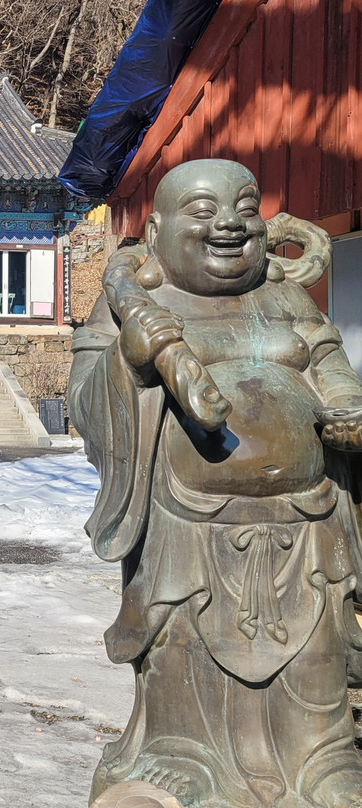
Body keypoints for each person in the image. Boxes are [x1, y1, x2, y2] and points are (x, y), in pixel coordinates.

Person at [69, 159, 362, 808]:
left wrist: (348, 409)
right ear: (158, 230)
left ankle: (323, 760)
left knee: (315, 658)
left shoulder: (285, 299)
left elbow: (327, 362)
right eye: (202, 212)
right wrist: (130, 360)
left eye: (245, 207)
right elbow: (88, 401)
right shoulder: (134, 303)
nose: (228, 223)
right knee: (184, 653)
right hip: (185, 525)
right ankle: (182, 756)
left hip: (305, 525)